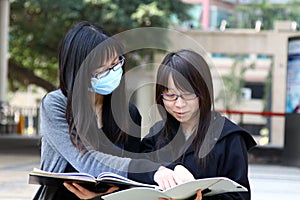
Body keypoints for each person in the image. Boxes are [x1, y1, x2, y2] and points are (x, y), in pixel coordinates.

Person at [33, 21, 194, 200]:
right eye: (103, 68)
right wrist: (151, 171)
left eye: (116, 63)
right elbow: (87, 161)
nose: (113, 71)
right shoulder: (56, 105)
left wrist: (171, 169)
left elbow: (131, 172)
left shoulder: (129, 112)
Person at [140, 49, 257, 200]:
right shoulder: (157, 133)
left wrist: (198, 195)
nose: (179, 104)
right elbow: (135, 168)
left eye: (188, 94)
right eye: (170, 95)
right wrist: (158, 171)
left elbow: (240, 196)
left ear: (203, 91)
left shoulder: (229, 138)